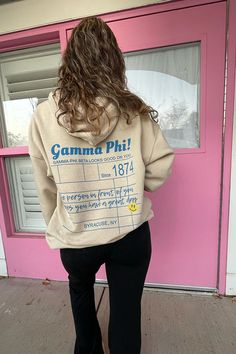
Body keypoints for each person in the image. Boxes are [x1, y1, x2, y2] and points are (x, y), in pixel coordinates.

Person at [28, 16, 175, 354]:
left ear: (71, 60)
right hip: (129, 233)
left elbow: (45, 183)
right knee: (126, 313)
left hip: (77, 235)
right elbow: (162, 164)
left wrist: (59, 223)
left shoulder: (43, 115)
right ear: (114, 59)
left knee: (81, 300)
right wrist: (136, 184)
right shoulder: (133, 111)